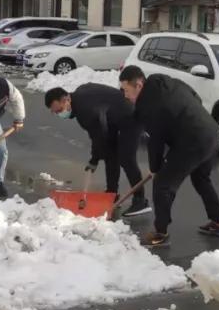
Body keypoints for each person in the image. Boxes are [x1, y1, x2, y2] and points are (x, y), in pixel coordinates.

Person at [119, 64, 219, 247]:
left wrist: (155, 168)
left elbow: (156, 141)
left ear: (138, 85)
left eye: (126, 90)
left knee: (162, 185)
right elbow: (195, 97)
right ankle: (218, 223)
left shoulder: (149, 105)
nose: (125, 95)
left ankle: (160, 234)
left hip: (192, 142)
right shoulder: (165, 81)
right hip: (211, 132)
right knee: (201, 180)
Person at [44, 84, 150, 217]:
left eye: (59, 110)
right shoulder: (79, 93)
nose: (59, 114)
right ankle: (112, 194)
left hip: (131, 117)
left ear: (66, 99)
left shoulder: (85, 111)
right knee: (110, 154)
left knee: (126, 158)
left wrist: (94, 159)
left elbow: (99, 136)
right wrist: (98, 155)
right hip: (112, 117)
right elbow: (102, 133)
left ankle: (141, 201)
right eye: (55, 112)